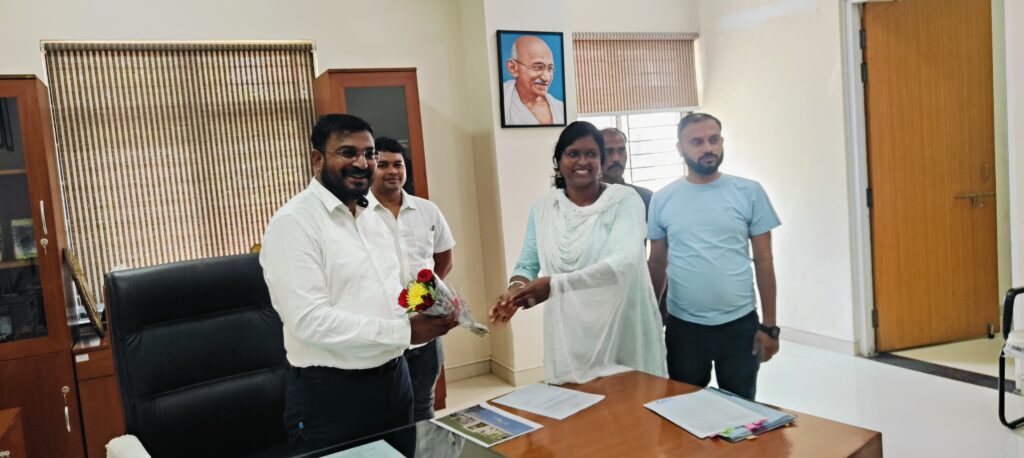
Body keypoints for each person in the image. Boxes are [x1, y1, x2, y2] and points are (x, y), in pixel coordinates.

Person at [259, 114, 457, 453]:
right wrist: (405, 331)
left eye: (369, 154)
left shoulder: (371, 218)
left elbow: (390, 296)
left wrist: (433, 305)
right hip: (334, 393)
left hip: (395, 379)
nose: (362, 163)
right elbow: (309, 321)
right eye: (348, 152)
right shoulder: (294, 223)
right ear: (317, 158)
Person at [489, 121, 666, 385]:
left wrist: (554, 285)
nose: (583, 161)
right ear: (558, 160)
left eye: (591, 154)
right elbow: (527, 265)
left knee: (626, 402)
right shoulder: (544, 209)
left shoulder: (625, 201)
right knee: (576, 402)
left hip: (621, 327)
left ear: (600, 160)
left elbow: (624, 262)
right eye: (573, 153)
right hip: (570, 334)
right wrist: (516, 293)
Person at [647, 112, 781, 401]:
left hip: (740, 326)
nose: (708, 148)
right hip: (684, 328)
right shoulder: (662, 199)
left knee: (741, 411)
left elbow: (764, 261)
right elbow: (657, 262)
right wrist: (651, 319)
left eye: (714, 139)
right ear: (680, 148)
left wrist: (769, 326)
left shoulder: (749, 192)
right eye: (697, 142)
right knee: (685, 409)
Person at [368, 136, 456, 422]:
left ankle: (424, 445)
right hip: (383, 327)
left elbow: (444, 260)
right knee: (385, 408)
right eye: (383, 165)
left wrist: (423, 296)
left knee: (423, 402)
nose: (392, 171)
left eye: (398, 164)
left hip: (426, 324)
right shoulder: (358, 214)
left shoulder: (427, 210)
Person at [502, 36, 565, 125]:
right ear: (513, 68)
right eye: (538, 67)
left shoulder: (560, 108)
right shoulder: (501, 100)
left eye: (550, 68)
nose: (546, 78)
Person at [600, 127, 653, 213]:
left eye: (621, 151)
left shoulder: (645, 198)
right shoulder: (584, 202)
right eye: (609, 151)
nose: (616, 158)